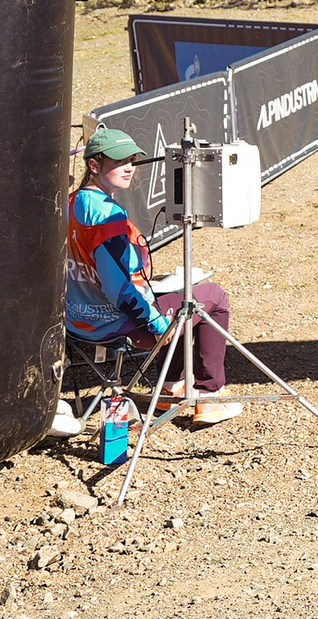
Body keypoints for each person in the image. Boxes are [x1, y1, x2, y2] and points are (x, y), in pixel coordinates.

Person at [63, 126, 242, 428]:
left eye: (131, 160)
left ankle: (170, 388)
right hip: (113, 323)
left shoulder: (70, 202)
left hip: (77, 320)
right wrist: (159, 324)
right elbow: (118, 290)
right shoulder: (108, 217)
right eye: (119, 161)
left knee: (183, 297)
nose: (129, 167)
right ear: (94, 166)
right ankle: (210, 396)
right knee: (212, 298)